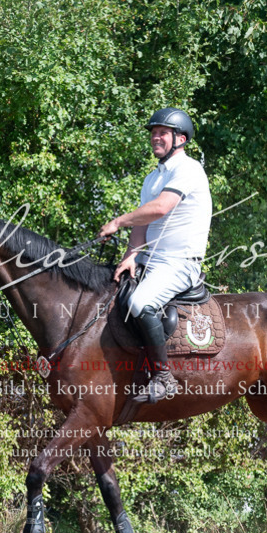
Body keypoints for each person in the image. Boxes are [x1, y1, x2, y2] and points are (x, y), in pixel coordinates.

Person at [98, 108, 213, 402]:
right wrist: (131, 255)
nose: (155, 137)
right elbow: (144, 220)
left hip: (180, 263)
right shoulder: (152, 177)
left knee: (139, 301)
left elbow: (161, 208)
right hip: (152, 261)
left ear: (181, 138)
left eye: (162, 132)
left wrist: (117, 221)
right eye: (153, 132)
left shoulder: (188, 169)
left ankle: (164, 377)